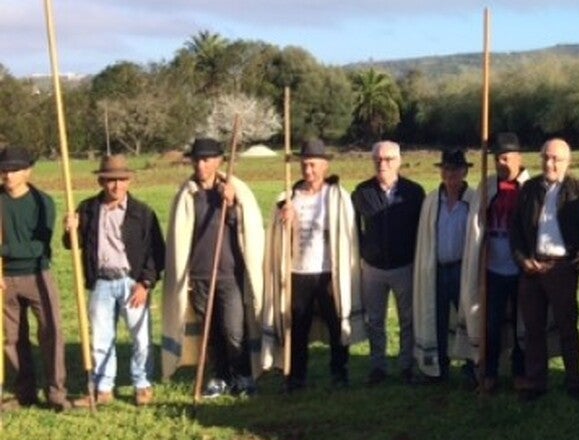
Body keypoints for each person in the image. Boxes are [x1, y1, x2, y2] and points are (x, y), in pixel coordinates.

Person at [511, 138, 579, 402]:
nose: (550, 164)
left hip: (563, 268)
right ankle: (536, 382)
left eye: (556, 159)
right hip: (533, 267)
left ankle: (574, 382)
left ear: (568, 162)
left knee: (567, 327)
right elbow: (515, 230)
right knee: (533, 328)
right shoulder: (529, 189)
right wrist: (523, 260)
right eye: (545, 157)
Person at [163, 138, 268, 397]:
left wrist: (232, 205)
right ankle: (220, 376)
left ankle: (243, 376)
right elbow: (181, 236)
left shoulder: (235, 191)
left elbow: (246, 227)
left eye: (206, 159)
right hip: (199, 275)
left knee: (234, 330)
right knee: (211, 333)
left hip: (229, 274)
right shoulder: (188, 194)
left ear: (219, 161)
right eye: (196, 159)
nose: (200, 165)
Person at [64, 155, 165, 406]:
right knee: (100, 339)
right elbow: (71, 245)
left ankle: (142, 384)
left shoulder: (142, 213)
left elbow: (156, 252)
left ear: (129, 181)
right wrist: (70, 229)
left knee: (141, 338)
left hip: (132, 282)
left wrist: (145, 283)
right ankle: (103, 388)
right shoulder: (87, 209)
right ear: (101, 181)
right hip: (101, 283)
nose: (116, 185)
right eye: (110, 180)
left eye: (121, 180)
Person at [267, 138, 362, 392]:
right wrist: (284, 220)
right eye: (304, 165)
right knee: (298, 325)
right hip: (299, 271)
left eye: (313, 165)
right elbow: (278, 237)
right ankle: (297, 375)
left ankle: (339, 372)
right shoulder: (290, 197)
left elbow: (347, 233)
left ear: (325, 166)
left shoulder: (337, 196)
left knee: (336, 323)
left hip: (329, 271)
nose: (308, 170)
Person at [459, 132, 530, 393]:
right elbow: (476, 227)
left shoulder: (529, 187)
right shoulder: (487, 187)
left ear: (519, 158)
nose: (501, 163)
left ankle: (520, 372)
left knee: (522, 323)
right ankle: (489, 372)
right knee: (491, 324)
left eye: (506, 158)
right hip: (492, 270)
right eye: (497, 158)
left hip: (521, 270)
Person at [0, 147, 69, 412]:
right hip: (5, 279)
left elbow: (39, 247)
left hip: (38, 275)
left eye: (14, 170)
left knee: (52, 332)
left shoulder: (42, 202)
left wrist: (4, 250)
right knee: (13, 338)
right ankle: (24, 392)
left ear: (27, 171)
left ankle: (56, 394)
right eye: (4, 170)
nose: (8, 175)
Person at [352, 140, 425, 385]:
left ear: (399, 161)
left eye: (388, 159)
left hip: (404, 266)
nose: (382, 164)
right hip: (373, 268)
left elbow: (421, 230)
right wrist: (364, 253)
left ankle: (407, 365)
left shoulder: (413, 193)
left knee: (408, 319)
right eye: (378, 159)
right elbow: (353, 229)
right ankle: (378, 367)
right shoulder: (362, 192)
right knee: (375, 320)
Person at [413, 149, 476, 385]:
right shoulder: (431, 201)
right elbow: (425, 238)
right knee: (437, 319)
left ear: (465, 172)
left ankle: (472, 368)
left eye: (456, 170)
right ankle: (438, 368)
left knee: (469, 318)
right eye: (446, 169)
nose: (450, 174)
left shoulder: (473, 200)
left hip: (464, 270)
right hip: (437, 270)